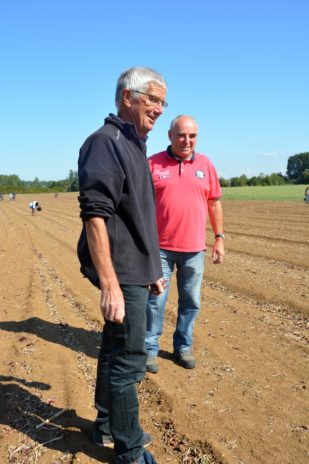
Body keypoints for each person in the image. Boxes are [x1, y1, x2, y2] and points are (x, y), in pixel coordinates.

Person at [77, 67, 168, 464]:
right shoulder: (105, 142)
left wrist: (153, 269)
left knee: (114, 351)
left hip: (136, 269)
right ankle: (130, 450)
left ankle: (107, 427)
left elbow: (137, 217)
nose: (159, 109)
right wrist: (111, 284)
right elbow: (95, 216)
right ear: (127, 98)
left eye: (163, 102)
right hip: (121, 271)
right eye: (153, 99)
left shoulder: (134, 144)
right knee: (129, 361)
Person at [145, 115, 224, 373]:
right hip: (160, 248)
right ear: (170, 136)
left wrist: (219, 238)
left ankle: (183, 347)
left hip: (194, 249)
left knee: (191, 301)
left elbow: (214, 202)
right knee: (155, 301)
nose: (187, 141)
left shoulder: (206, 164)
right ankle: (149, 349)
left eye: (192, 136)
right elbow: (140, 205)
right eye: (181, 135)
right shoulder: (153, 164)